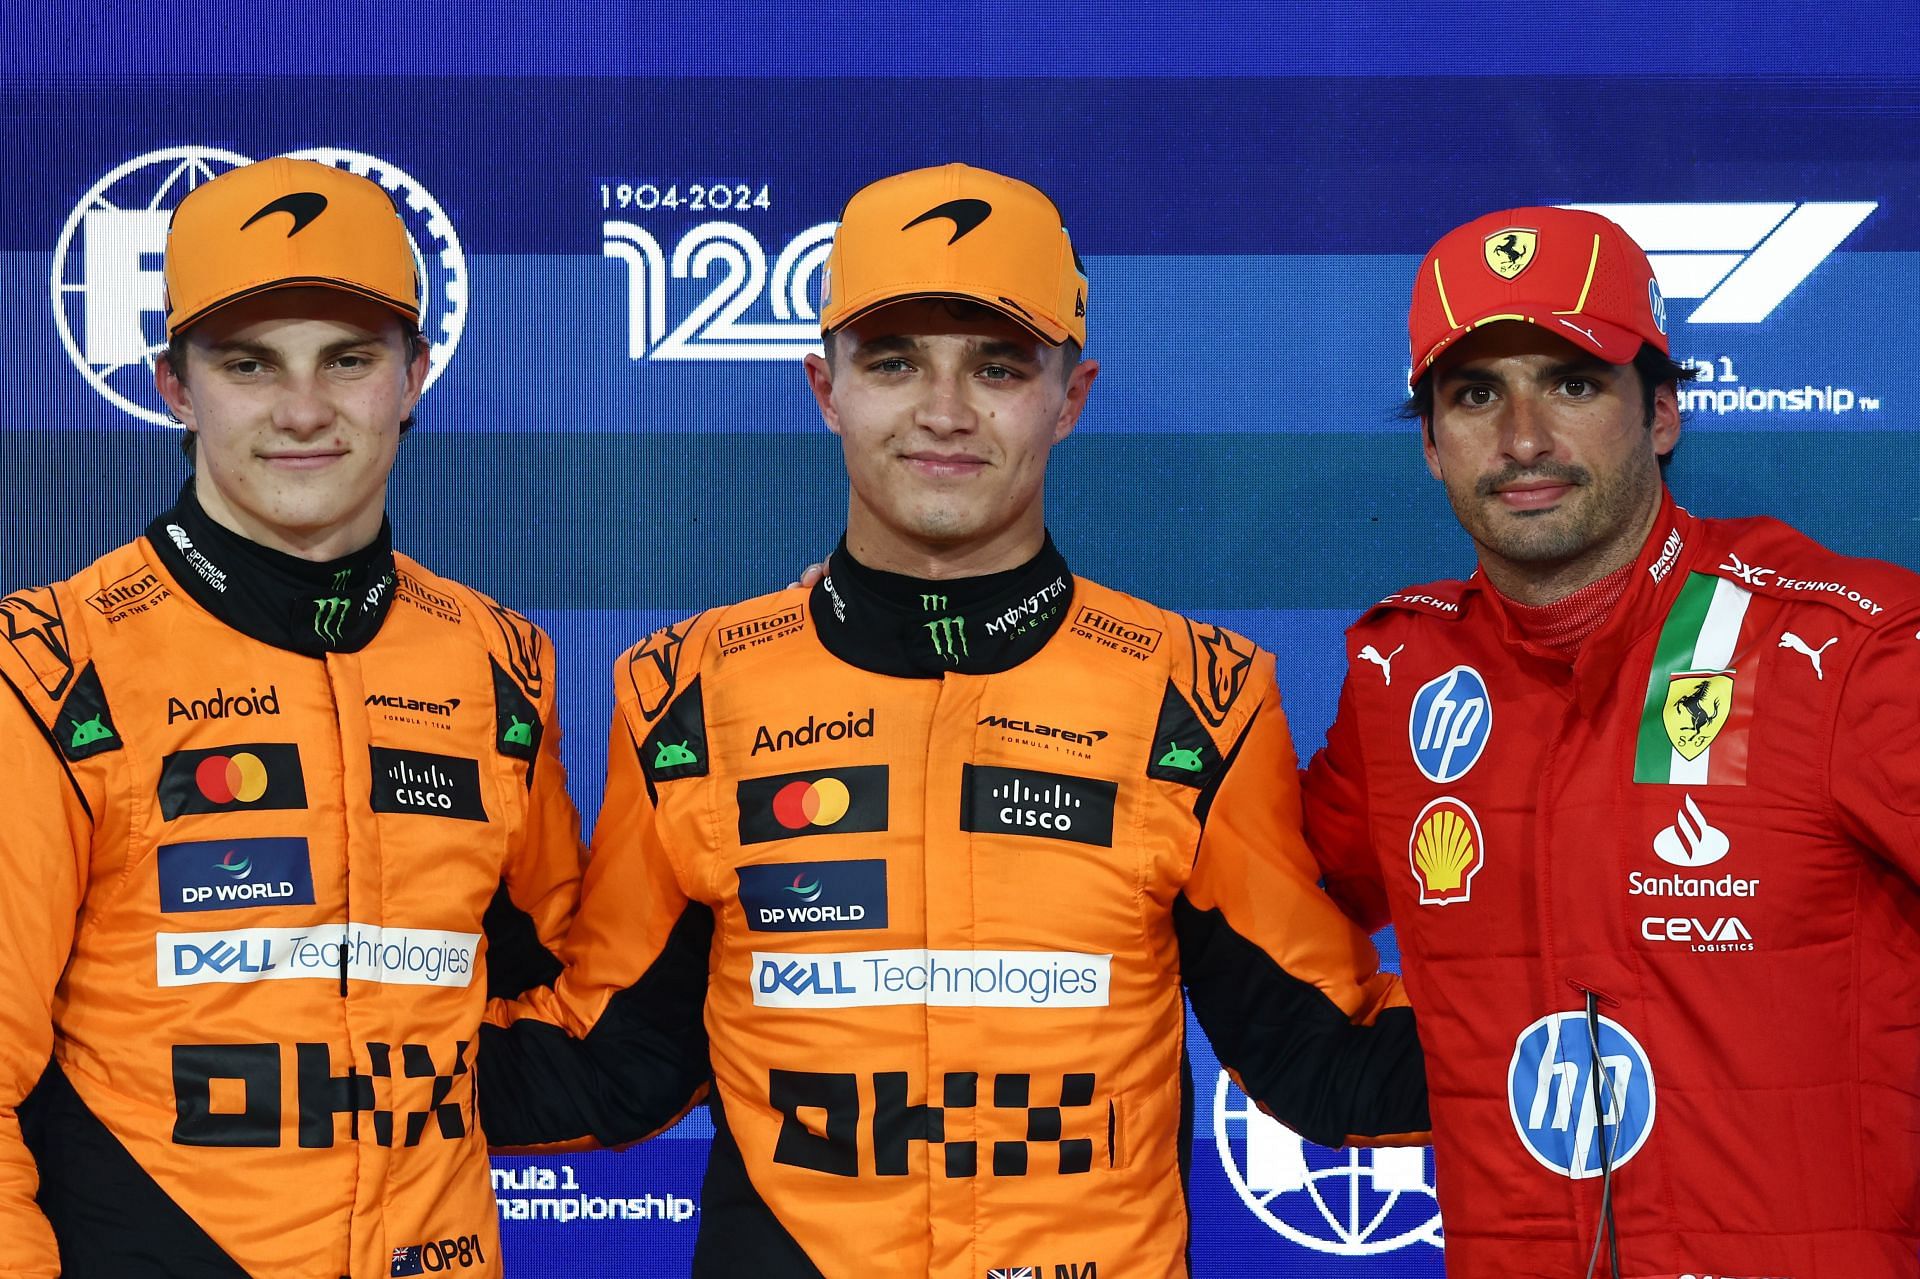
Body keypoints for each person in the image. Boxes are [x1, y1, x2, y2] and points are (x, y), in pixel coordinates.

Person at [479, 162, 1428, 1277]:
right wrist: (258, 1044)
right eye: (893, 363)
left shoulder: (1199, 693)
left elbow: (1321, 1054)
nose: (944, 411)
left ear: (1071, 399)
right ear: (824, 388)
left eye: (998, 366)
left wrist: (1656, 1012)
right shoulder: (685, 688)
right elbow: (610, 1062)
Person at [1303, 206, 1920, 1277]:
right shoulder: (1401, 683)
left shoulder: (1844, 649)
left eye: (1574, 383)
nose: (1525, 437)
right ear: (1432, 447)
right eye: (1476, 394)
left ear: (1664, 413)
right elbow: (1255, 905)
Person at [0, 157, 583, 1278]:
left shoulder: (499, 662)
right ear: (175, 386)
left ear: (413, 376)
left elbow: (580, 999)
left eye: (349, 360)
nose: (304, 409)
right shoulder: (52, 664)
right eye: (249, 364)